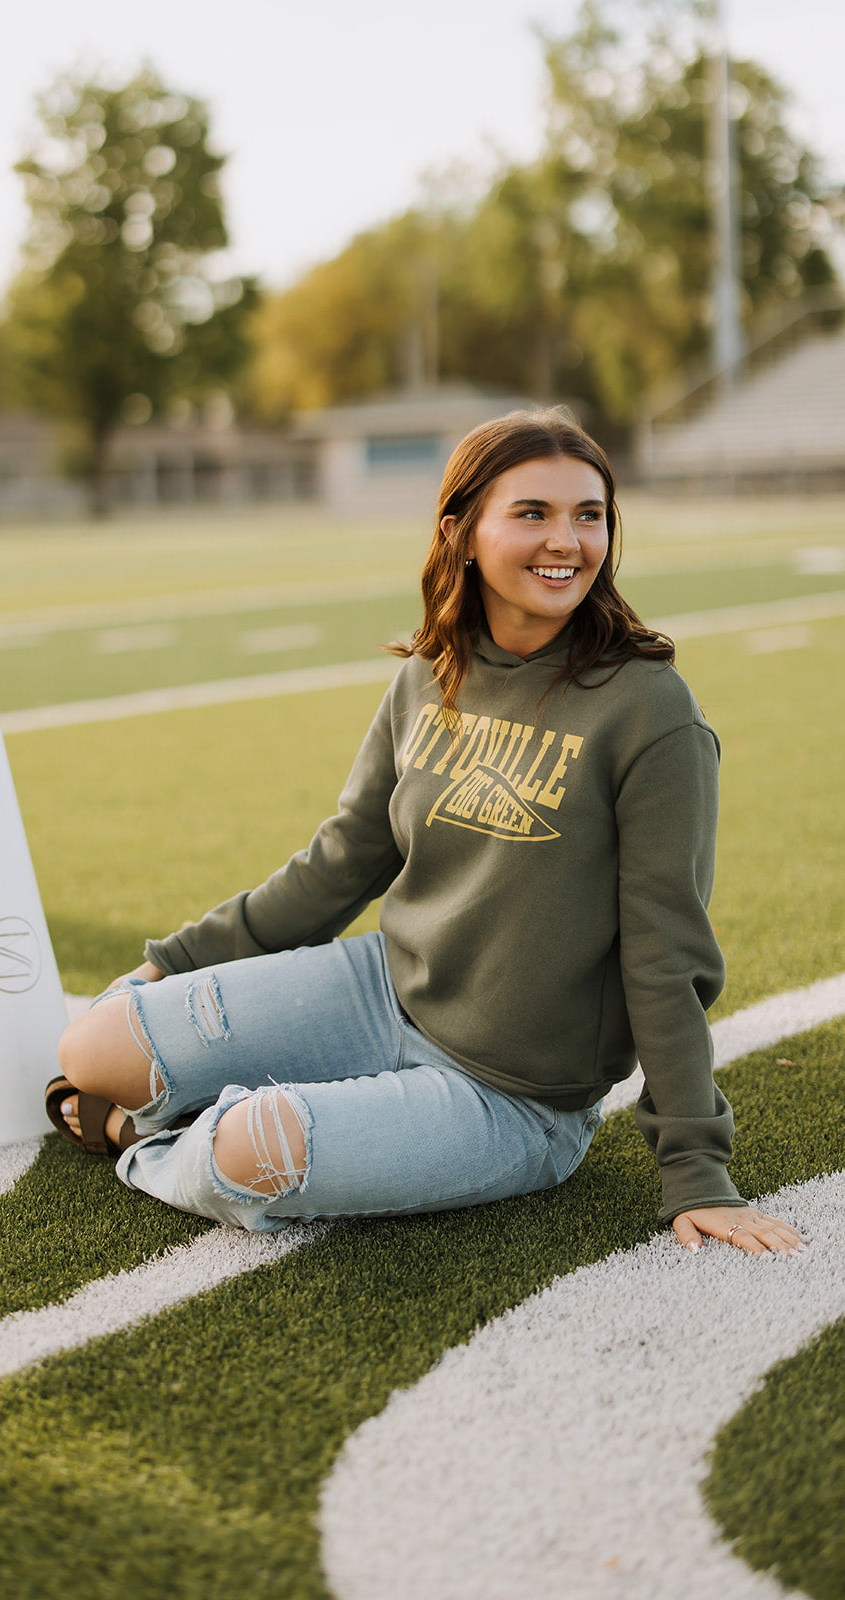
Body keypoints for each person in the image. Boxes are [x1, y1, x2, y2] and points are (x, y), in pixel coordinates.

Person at [47, 408, 803, 1258]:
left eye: (588, 515)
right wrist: (174, 960)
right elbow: (340, 864)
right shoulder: (427, 675)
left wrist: (697, 1173)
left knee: (248, 1148)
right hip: (383, 989)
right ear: (462, 531)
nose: (567, 541)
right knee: (91, 1045)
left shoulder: (648, 711)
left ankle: (134, 1140)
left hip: (511, 1095)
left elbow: (666, 954)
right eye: (532, 513)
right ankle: (211, 1102)